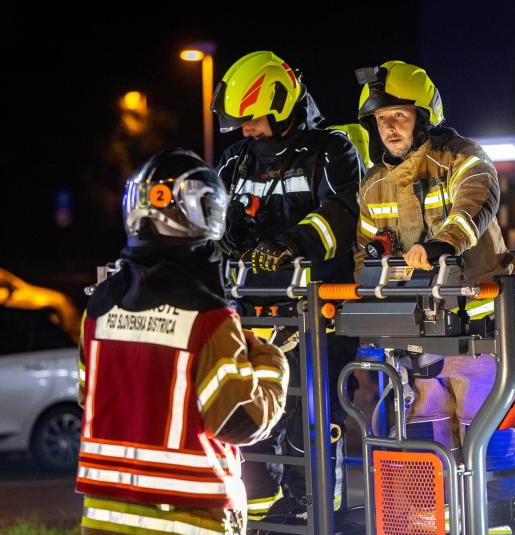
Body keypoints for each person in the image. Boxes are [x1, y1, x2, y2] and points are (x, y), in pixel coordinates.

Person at [75, 149, 289, 535]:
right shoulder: (208, 318)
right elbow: (242, 421)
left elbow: (88, 395)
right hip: (188, 515)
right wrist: (269, 361)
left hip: (103, 514)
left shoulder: (99, 308)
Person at [353, 60, 515, 502]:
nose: (388, 127)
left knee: (486, 430)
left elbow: (476, 202)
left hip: (478, 328)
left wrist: (439, 246)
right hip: (417, 333)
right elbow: (364, 252)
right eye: (380, 119)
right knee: (426, 434)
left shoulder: (463, 157)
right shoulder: (374, 186)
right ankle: (437, 519)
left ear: (424, 115)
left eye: (399, 115)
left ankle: (507, 519)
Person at [211, 50, 364, 519]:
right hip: (251, 316)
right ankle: (255, 519)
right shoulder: (235, 160)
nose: (246, 130)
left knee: (309, 424)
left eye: (251, 119)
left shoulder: (331, 151)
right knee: (250, 421)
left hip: (316, 319)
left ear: (278, 103)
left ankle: (312, 514)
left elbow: (341, 214)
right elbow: (215, 221)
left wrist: (291, 243)